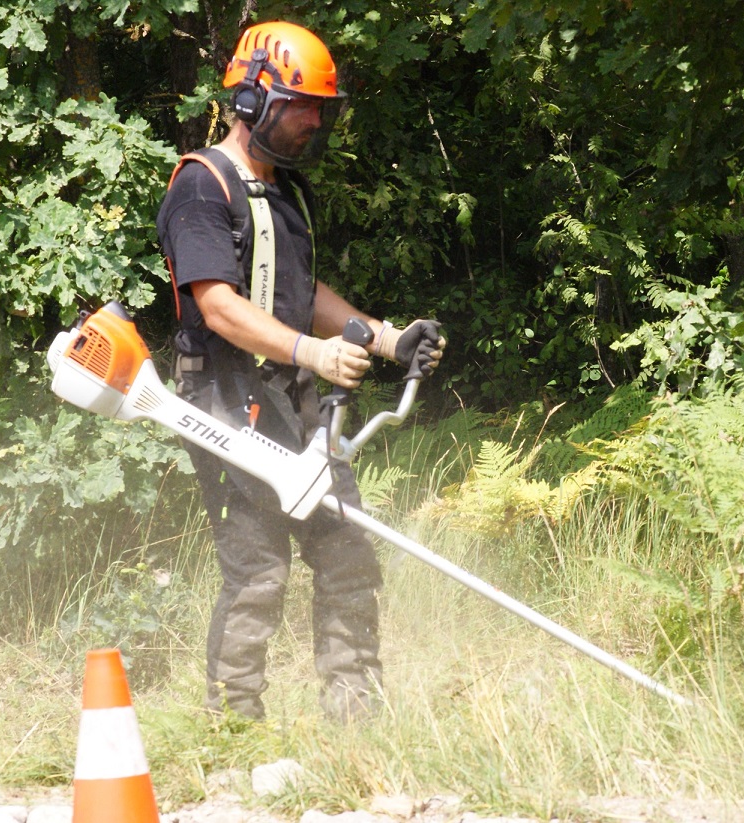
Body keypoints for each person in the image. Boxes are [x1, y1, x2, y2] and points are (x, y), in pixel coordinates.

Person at [155, 20, 444, 722]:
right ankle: (233, 724)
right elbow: (217, 305)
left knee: (346, 551)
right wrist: (312, 352)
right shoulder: (202, 187)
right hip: (224, 401)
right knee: (258, 568)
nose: (313, 121)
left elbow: (301, 291)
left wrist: (385, 337)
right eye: (301, 106)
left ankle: (355, 714)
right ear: (252, 101)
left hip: (292, 403)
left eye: (321, 107)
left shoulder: (285, 193)